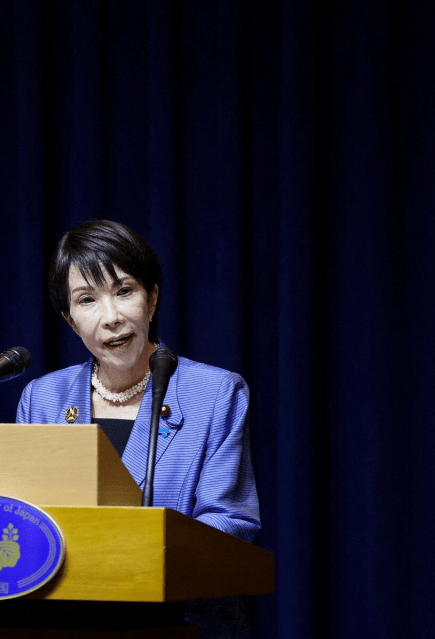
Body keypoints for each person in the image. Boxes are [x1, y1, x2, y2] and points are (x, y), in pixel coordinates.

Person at [15, 220, 260, 543]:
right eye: (87, 300)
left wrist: (142, 550)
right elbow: (27, 518)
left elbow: (230, 521)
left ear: (152, 299)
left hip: (174, 576)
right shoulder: (42, 400)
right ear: (71, 321)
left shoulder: (215, 394)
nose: (111, 317)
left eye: (124, 291)